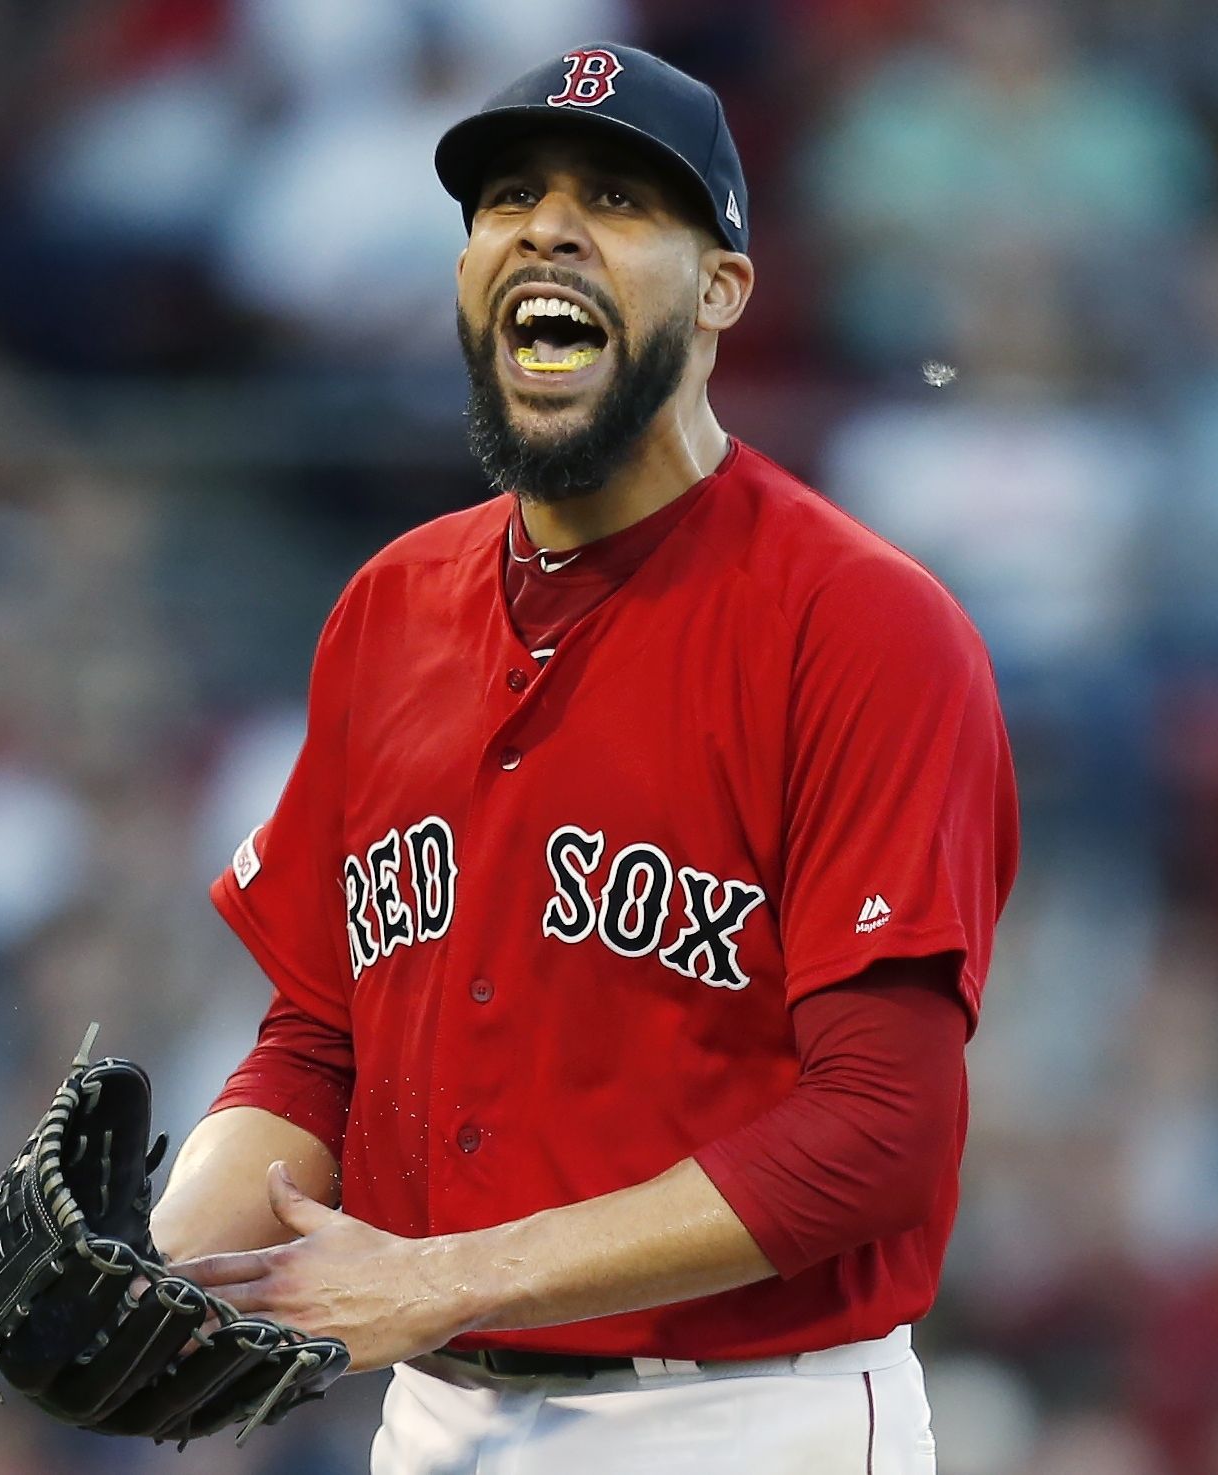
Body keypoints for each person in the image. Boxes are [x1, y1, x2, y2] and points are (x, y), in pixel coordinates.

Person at [150, 43, 1020, 1475]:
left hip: (743, 1417)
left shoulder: (860, 625)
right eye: (507, 199)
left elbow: (881, 1131)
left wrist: (445, 1276)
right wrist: (172, 1265)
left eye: (616, 199)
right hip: (432, 1412)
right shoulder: (387, 610)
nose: (546, 227)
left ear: (722, 289)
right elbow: (321, 1047)